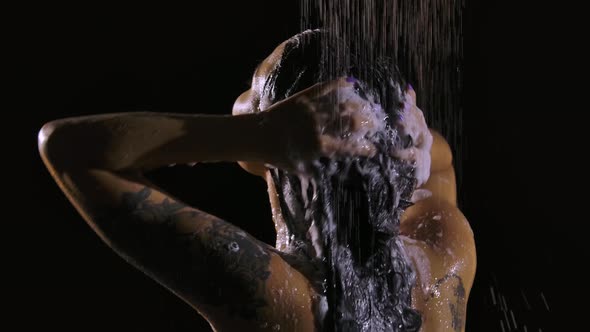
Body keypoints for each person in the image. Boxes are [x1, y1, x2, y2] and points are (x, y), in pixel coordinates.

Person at [38, 30, 476, 331]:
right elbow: (437, 160)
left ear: (290, 147)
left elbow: (70, 149)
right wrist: (393, 132)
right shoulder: (445, 255)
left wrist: (255, 135)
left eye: (256, 102)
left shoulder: (272, 296)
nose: (244, 106)